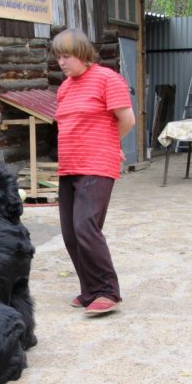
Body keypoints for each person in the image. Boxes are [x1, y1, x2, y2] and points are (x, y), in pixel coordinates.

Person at [52, 29, 135, 315]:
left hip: (97, 165)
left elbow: (127, 120)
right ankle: (89, 290)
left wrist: (112, 146)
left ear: (83, 54)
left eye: (66, 56)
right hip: (69, 166)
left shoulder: (107, 79)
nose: (61, 62)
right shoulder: (64, 88)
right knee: (70, 232)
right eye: (58, 57)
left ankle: (108, 291)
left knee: (86, 226)